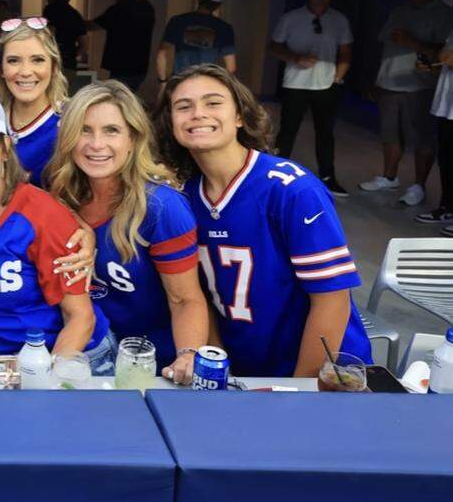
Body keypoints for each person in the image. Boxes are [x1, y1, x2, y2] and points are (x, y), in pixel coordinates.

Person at [154, 64, 372, 378]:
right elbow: (203, 296)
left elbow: (332, 301)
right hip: (245, 369)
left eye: (213, 103)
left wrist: (303, 390)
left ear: (240, 116)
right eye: (183, 106)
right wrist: (219, 368)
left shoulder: (292, 190)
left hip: (317, 373)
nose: (198, 113)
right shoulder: (183, 198)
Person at [0, 90, 115, 374]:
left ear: (5, 148)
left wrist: (42, 385)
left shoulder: (41, 215)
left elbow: (81, 318)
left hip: (66, 358)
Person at [47, 82, 208, 385]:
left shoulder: (162, 208)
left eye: (111, 131)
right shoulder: (63, 194)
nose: (96, 144)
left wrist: (188, 354)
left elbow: (185, 299)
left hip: (143, 367)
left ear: (133, 138)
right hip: (84, 356)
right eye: (84, 130)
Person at [360, 0, 453, 209]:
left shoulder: (443, 14)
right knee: (389, 133)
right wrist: (374, 78)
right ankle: (389, 177)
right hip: (388, 81)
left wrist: (413, 42)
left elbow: (443, 52)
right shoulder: (399, 10)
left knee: (422, 138)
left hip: (419, 85)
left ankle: (418, 186)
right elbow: (383, 45)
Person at [269, 0, 352, 197]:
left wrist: (339, 76)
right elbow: (274, 47)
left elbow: (346, 50)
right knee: (287, 131)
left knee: (325, 133)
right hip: (295, 82)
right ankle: (274, 176)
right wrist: (295, 58)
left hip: (326, 84)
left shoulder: (339, 20)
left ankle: (327, 176)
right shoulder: (291, 18)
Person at [0, 16, 68, 187]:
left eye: (38, 60)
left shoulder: (71, 121)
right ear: (1, 69)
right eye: (13, 61)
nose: (25, 71)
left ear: (54, 67)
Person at [155, 0, 236, 88]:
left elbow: (162, 53)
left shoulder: (178, 21)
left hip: (180, 83)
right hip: (206, 84)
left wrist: (163, 82)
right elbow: (231, 68)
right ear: (218, 5)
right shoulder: (225, 28)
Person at [91, 0, 155, 92]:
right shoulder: (147, 7)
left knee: (118, 101)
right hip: (140, 66)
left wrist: (72, 23)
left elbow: (94, 25)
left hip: (122, 67)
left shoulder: (120, 9)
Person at [422, 27, 453, 233]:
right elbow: (445, 57)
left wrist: (445, 57)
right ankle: (447, 207)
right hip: (448, 105)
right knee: (447, 159)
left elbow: (447, 56)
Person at [41, 0, 88, 83]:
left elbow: (48, 35)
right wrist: (70, 55)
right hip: (69, 65)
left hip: (51, 63)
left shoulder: (50, 10)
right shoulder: (75, 14)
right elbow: (84, 45)